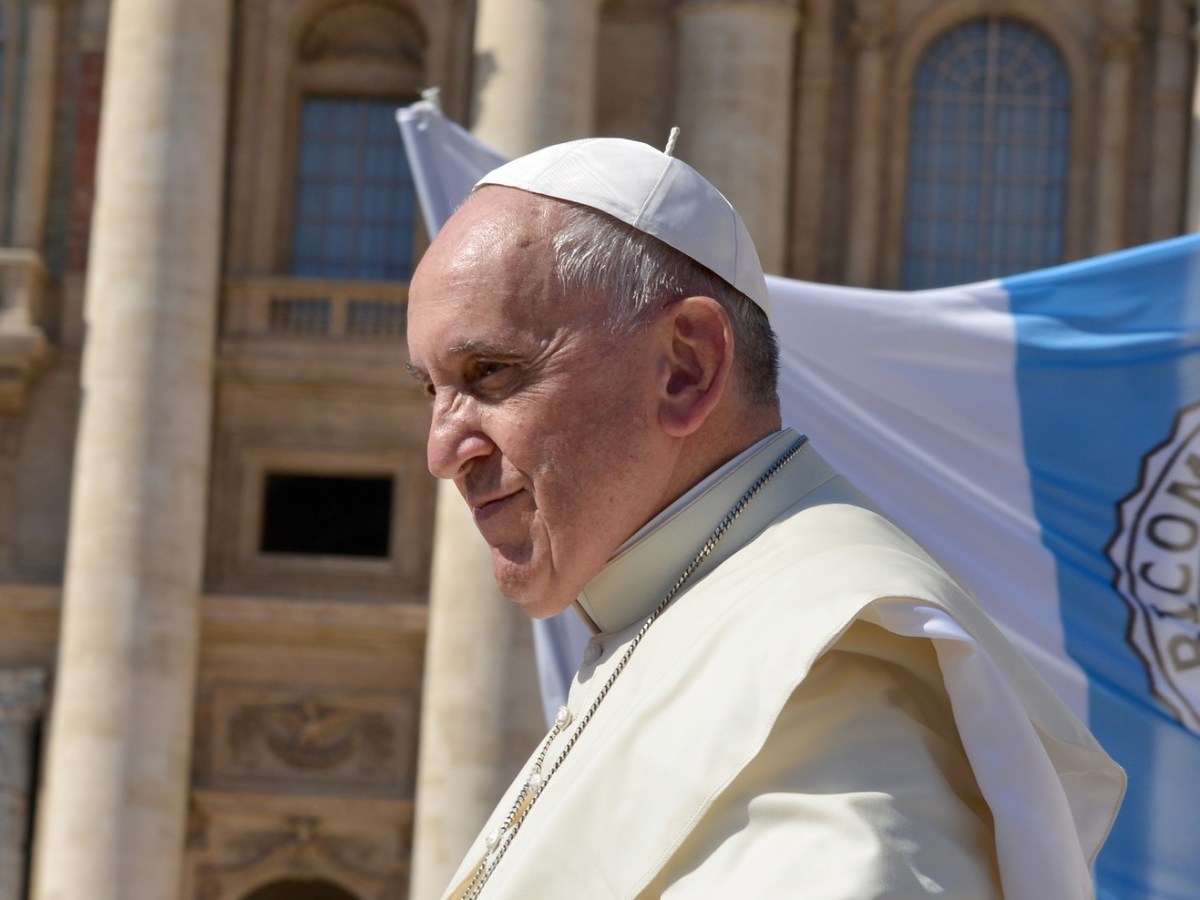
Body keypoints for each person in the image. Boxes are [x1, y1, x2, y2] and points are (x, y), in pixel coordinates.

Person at [405, 137, 1125, 900]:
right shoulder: (664, 611)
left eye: (490, 373)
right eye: (431, 391)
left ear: (686, 368)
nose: (442, 452)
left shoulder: (836, 675)